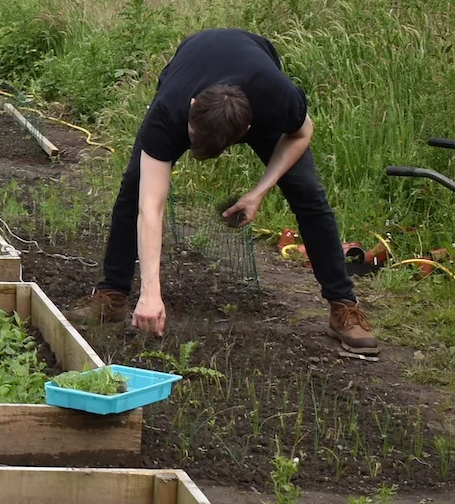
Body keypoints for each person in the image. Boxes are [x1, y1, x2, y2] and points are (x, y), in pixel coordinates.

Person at [76, 28, 376, 352]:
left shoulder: (275, 96)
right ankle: (112, 295)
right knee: (135, 187)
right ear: (192, 107)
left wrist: (260, 191)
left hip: (252, 87)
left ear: (247, 130)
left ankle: (342, 306)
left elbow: (302, 133)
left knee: (309, 195)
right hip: (190, 70)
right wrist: (151, 292)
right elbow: (151, 206)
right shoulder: (170, 110)